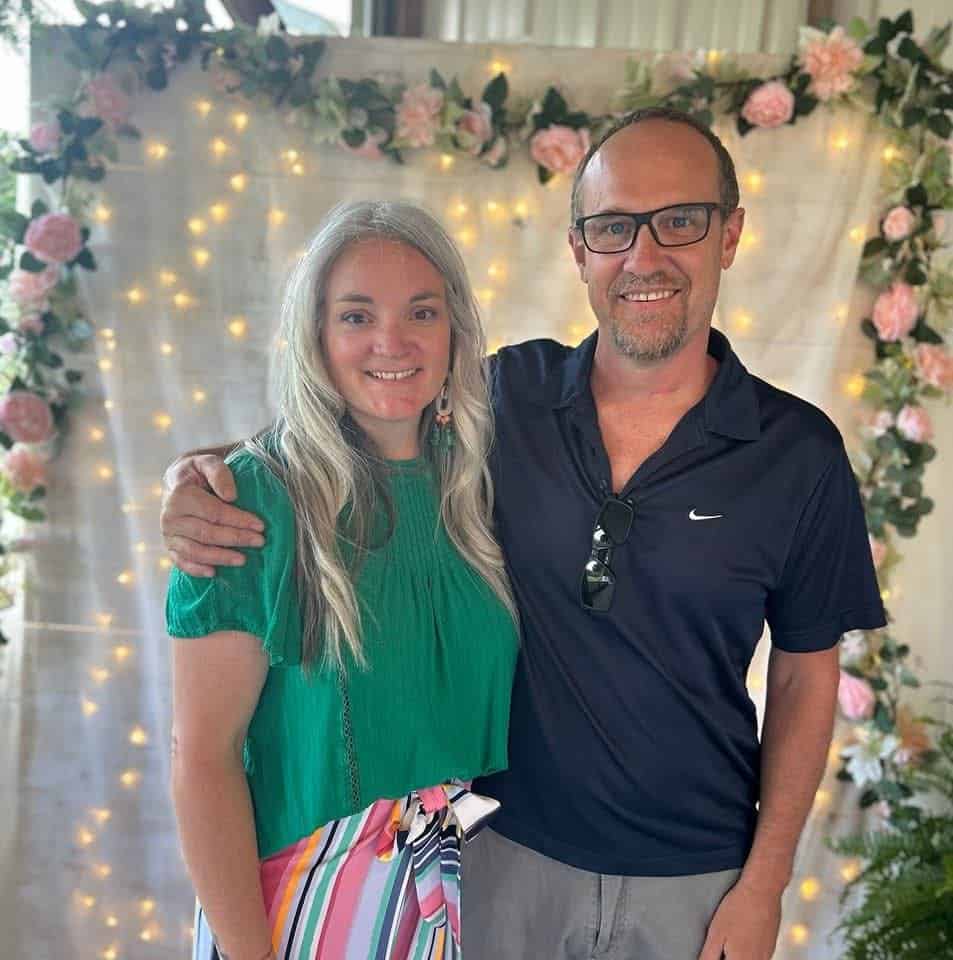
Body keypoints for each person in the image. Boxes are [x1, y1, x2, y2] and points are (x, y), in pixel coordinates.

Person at [162, 107, 886, 960]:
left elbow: (805, 680)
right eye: (614, 227)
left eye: (680, 221)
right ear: (579, 250)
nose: (643, 256)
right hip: (491, 862)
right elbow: (350, 432)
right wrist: (196, 477)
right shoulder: (506, 402)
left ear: (728, 235)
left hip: (695, 880)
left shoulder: (797, 453)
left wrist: (764, 886)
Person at [166, 199, 519, 960]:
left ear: (453, 330)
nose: (391, 341)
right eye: (356, 316)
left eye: (419, 312)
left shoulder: (480, 486)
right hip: (298, 906)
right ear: (315, 337)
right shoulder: (249, 499)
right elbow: (202, 757)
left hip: (461, 897)